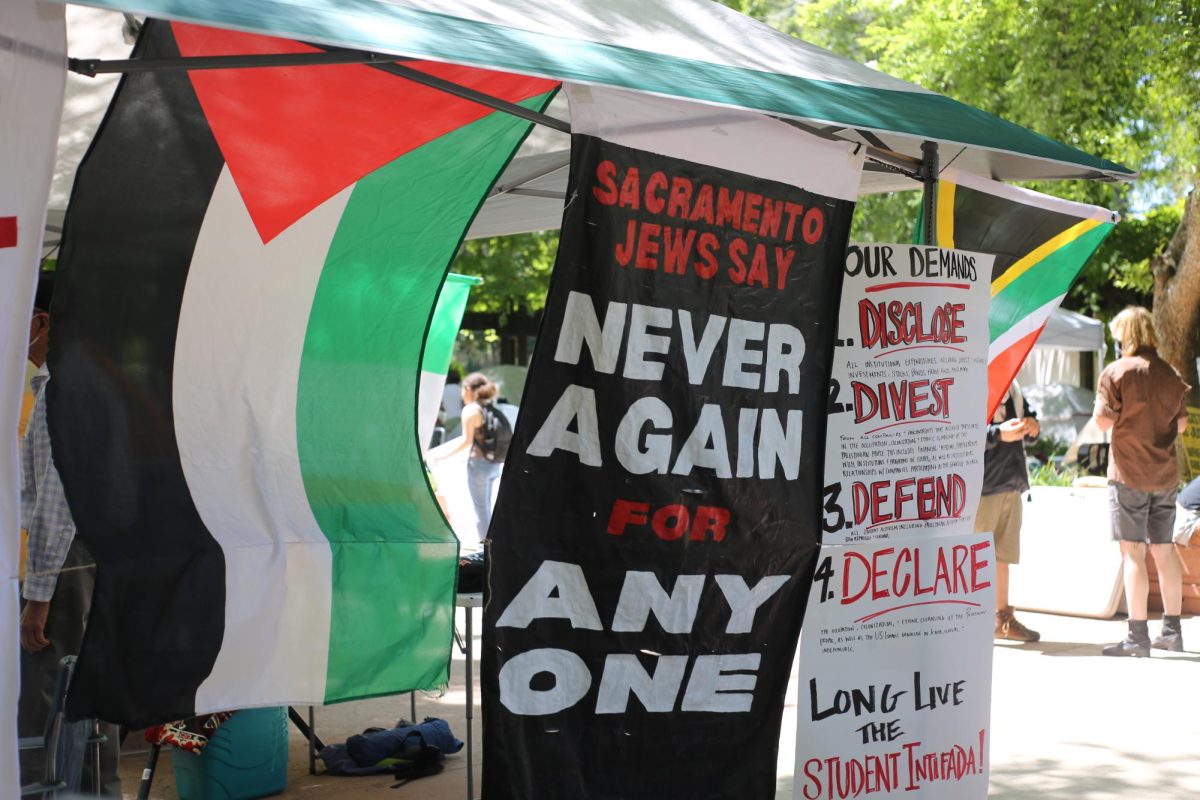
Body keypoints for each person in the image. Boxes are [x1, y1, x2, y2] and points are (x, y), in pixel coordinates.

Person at [18, 274, 121, 794]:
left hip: (64, 561)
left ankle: (45, 791)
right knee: (89, 680)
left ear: (41, 323)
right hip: (93, 553)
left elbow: (55, 503)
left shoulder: (60, 388)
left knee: (46, 690)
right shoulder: (95, 376)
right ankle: (96, 790)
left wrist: (38, 595)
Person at [1093, 306, 1189, 657]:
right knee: (1164, 551)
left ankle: (1137, 637)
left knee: (1132, 552)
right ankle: (1172, 632)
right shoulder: (1170, 373)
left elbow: (1102, 422)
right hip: (1164, 475)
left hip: (1129, 474)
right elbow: (1180, 425)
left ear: (1126, 336)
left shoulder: (1116, 372)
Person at [976, 381, 1041, 642]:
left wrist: (1032, 427)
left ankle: (1002, 619)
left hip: (1010, 483)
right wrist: (996, 434)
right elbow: (959, 434)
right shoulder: (973, 380)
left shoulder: (1013, 385)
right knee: (978, 558)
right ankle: (974, 620)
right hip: (982, 487)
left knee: (1003, 556)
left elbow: (1030, 421)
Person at [429, 372, 503, 541]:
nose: (461, 395)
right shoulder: (488, 407)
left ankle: (485, 547)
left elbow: (466, 441)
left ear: (469, 389)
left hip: (479, 465)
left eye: (463, 390)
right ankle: (492, 543)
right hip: (494, 464)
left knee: (480, 509)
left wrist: (438, 454)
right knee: (487, 506)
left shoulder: (470, 410)